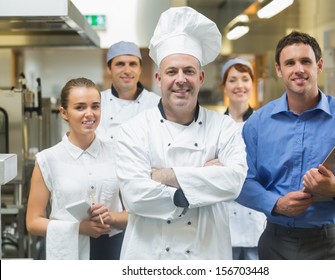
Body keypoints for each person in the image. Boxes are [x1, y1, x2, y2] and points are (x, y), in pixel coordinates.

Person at [236, 31, 335, 260]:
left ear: (319, 65)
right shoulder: (257, 123)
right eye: (290, 63)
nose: (299, 69)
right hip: (275, 245)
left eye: (306, 61)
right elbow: (241, 180)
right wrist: (276, 203)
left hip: (330, 247)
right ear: (279, 69)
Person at [116, 6, 248, 260]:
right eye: (171, 71)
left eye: (188, 71)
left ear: (200, 77)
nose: (181, 79)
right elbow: (135, 196)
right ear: (158, 78)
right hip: (149, 258)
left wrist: (165, 176)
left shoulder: (224, 127)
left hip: (206, 256)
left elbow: (233, 183)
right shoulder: (133, 130)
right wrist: (205, 180)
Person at [26, 77, 127, 260]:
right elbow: (33, 222)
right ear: (64, 113)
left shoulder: (118, 154)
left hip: (112, 251)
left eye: (95, 106)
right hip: (67, 253)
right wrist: (78, 228)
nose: (90, 114)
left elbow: (135, 214)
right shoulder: (48, 159)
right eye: (80, 107)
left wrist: (111, 217)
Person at [220, 57, 267, 260]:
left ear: (252, 84)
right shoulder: (214, 125)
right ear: (224, 86)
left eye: (245, 79)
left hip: (254, 215)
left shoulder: (265, 124)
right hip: (224, 216)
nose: (239, 85)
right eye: (232, 80)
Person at [96, 41, 160, 142]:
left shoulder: (156, 104)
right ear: (109, 69)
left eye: (133, 64)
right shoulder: (97, 102)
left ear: (140, 69)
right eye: (120, 64)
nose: (127, 71)